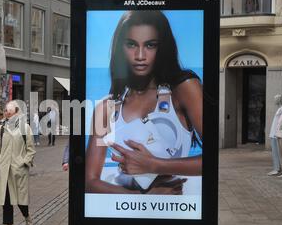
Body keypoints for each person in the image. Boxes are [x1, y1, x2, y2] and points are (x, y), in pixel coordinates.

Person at [86, 10, 202, 195]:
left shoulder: (183, 90)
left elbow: (213, 160)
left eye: (150, 45)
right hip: (124, 214)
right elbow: (90, 182)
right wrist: (143, 197)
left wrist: (153, 165)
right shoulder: (105, 109)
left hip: (175, 214)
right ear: (119, 48)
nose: (140, 55)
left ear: (162, 47)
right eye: (131, 44)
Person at [0, 101, 36, 225]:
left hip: (19, 170)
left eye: (10, 112)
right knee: (6, 200)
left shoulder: (25, 128)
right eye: (6, 111)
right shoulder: (1, 129)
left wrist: (24, 162)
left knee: (21, 200)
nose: (7, 114)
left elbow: (31, 150)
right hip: (5, 171)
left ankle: (27, 216)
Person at [268, 95, 282, 176]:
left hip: (276, 134)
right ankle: (277, 168)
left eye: (276, 99)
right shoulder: (279, 109)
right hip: (273, 133)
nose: (274, 100)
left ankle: (278, 169)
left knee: (278, 152)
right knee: (275, 152)